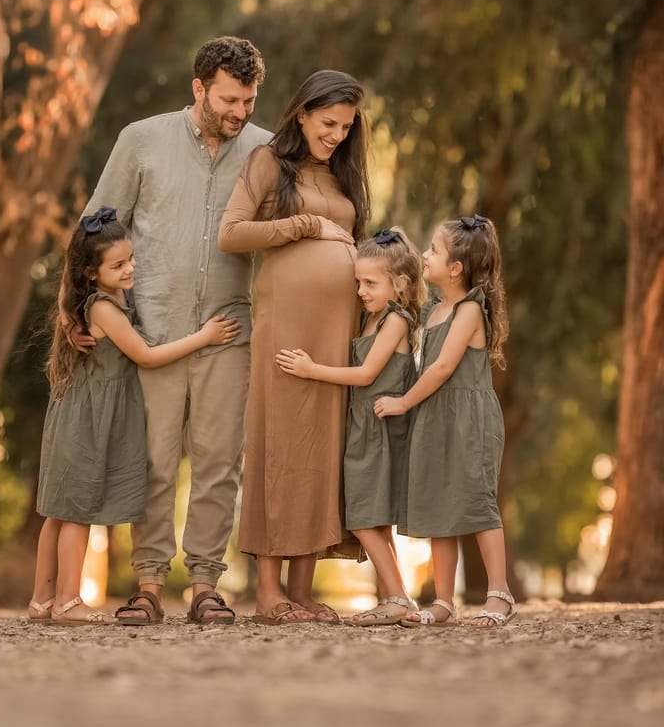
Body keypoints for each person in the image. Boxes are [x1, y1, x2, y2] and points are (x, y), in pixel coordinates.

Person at [81, 37, 269, 625]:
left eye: (249, 100)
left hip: (231, 331)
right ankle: (148, 586)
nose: (240, 112)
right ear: (199, 89)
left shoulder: (266, 151)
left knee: (220, 462)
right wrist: (80, 310)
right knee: (155, 462)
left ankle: (207, 584)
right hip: (152, 332)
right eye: (229, 99)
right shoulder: (141, 140)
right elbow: (97, 228)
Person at [28, 207, 240, 625]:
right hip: (90, 420)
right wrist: (204, 337)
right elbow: (145, 355)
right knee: (76, 511)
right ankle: (68, 600)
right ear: (92, 273)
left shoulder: (94, 302)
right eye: (119, 264)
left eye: (130, 259)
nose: (130, 269)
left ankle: (41, 600)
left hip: (78, 412)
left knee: (59, 510)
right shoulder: (104, 309)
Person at [219, 69, 370, 625]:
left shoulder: (341, 175)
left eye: (345, 127)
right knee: (280, 443)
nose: (335, 134)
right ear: (302, 113)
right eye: (328, 123)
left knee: (322, 447)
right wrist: (304, 225)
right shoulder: (268, 163)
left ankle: (302, 591)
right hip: (286, 323)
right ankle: (267, 594)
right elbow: (232, 233)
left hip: (337, 329)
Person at [275, 226, 425, 626]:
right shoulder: (372, 318)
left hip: (378, 430)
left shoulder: (395, 320)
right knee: (372, 519)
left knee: (362, 520)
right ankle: (400, 598)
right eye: (358, 281)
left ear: (400, 284)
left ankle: (396, 597)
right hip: (362, 428)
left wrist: (310, 369)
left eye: (370, 283)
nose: (361, 291)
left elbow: (366, 375)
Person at [374, 214, 515, 628]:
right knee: (439, 504)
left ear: (455, 269)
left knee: (475, 499)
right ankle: (443, 600)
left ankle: (500, 592)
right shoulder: (437, 307)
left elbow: (440, 369)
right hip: (436, 414)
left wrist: (402, 403)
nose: (425, 255)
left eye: (433, 250)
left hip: (468, 418)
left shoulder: (471, 308)